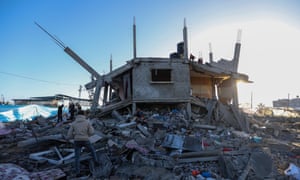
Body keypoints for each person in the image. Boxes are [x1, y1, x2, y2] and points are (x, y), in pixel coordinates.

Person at [66, 110, 99, 176]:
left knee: (77, 157)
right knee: (92, 150)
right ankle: (96, 161)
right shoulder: (87, 122)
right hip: (85, 140)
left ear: (77, 115)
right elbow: (92, 132)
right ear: (84, 115)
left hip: (77, 141)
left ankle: (77, 172)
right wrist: (87, 135)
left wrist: (74, 137)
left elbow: (69, 135)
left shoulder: (74, 123)